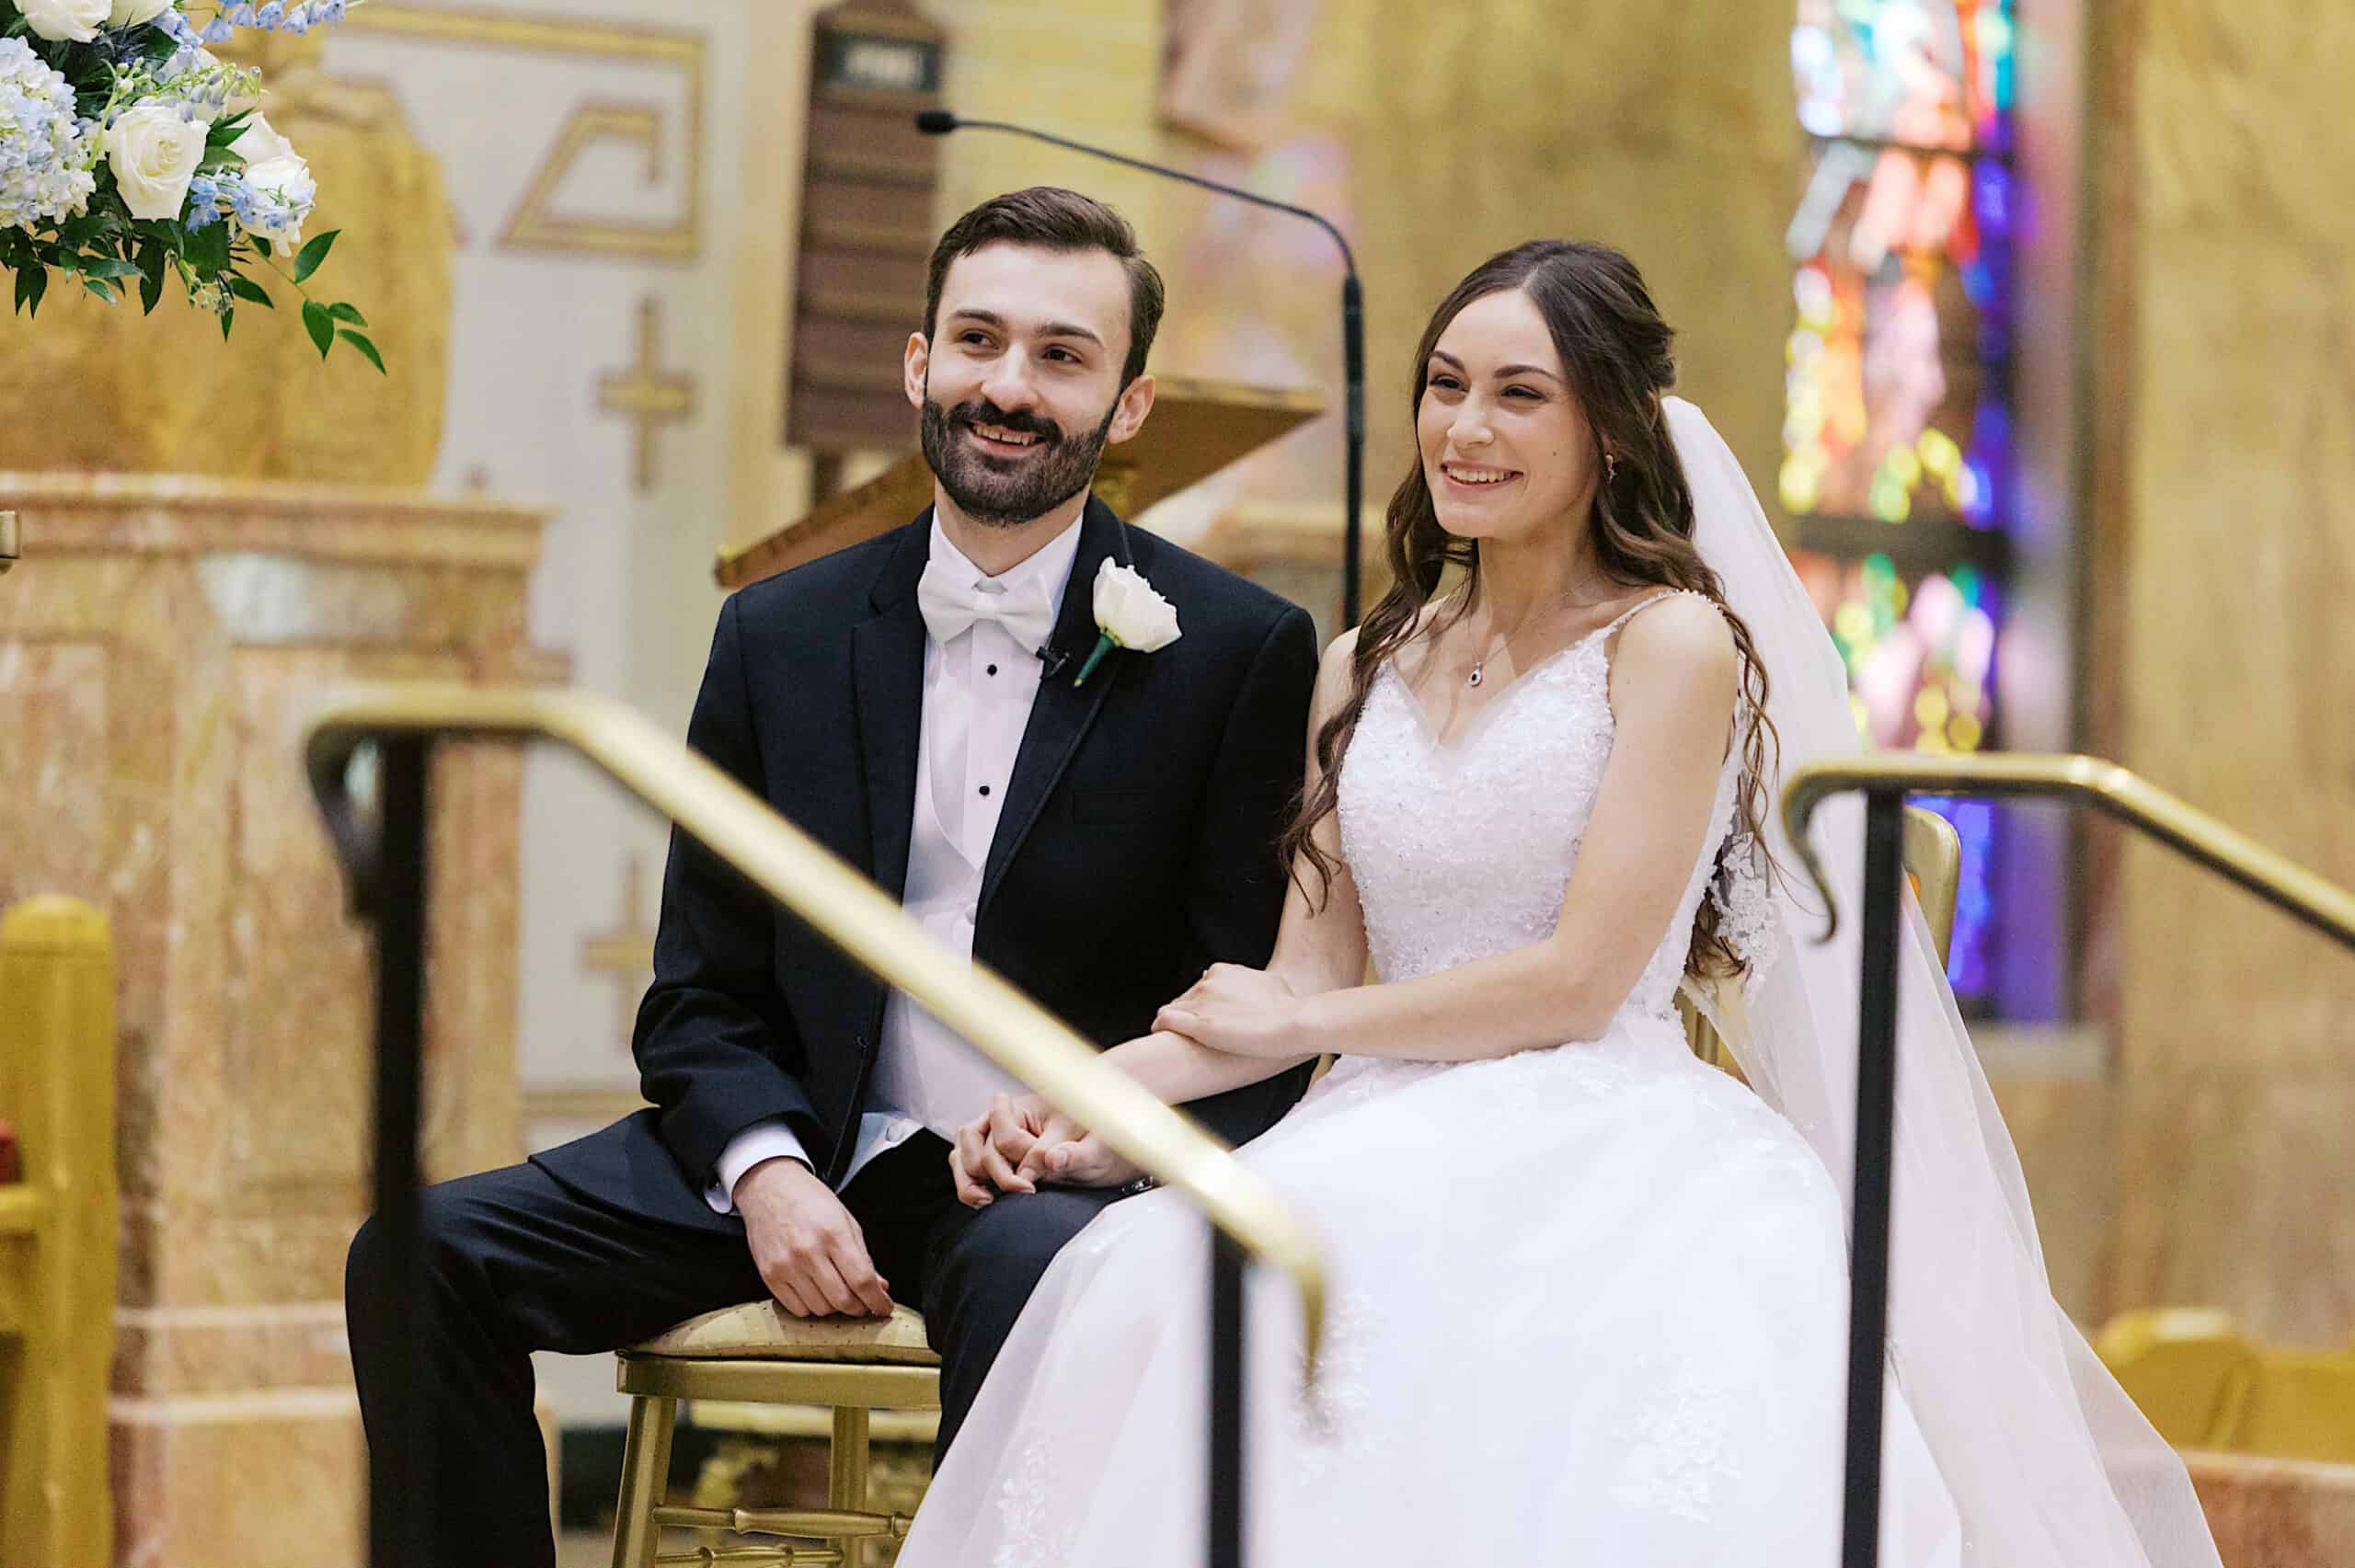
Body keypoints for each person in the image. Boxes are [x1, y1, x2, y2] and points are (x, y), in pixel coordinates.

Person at [903, 240, 2223, 1568]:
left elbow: (1581, 975)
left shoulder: (1672, 645)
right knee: (1150, 1276)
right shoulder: (1365, 658)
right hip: (1364, 1124)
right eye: (1446, 384)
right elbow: (1294, 989)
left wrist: (1293, 1027)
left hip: (1600, 1125)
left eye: (1519, 395)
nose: (1465, 428)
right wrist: (1084, 1103)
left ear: (1610, 428)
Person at [341, 186, 1319, 1568]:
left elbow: (1244, 1011)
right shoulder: (776, 633)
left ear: (1132, 402)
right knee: (420, 1251)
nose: (1009, 386)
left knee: (1045, 1286)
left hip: (1039, 1180)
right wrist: (766, 1167)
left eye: (1061, 354)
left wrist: (1082, 1134)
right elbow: (699, 995)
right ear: (917, 363)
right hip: (804, 1137)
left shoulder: (1235, 650)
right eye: (977, 340)